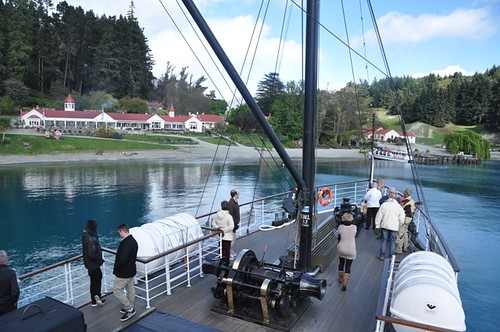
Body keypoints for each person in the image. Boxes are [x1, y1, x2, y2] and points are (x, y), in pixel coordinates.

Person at [113, 224, 138, 322]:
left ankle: (129, 308)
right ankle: (130, 306)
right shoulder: (133, 241)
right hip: (131, 270)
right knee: (130, 289)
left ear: (122, 231)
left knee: (116, 290)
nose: (119, 234)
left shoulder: (126, 244)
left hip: (123, 272)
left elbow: (122, 260)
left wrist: (117, 270)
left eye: (119, 232)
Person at [375, 188, 405, 260]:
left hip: (385, 225)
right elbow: (402, 218)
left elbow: (379, 216)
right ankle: (391, 256)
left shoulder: (384, 205)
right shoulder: (399, 207)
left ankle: (382, 255)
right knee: (393, 241)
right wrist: (400, 224)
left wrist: (377, 225)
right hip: (394, 227)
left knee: (384, 240)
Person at [82, 219, 106, 307]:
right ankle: (97, 297)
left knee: (94, 281)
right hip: (94, 264)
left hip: (90, 264)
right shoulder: (90, 238)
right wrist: (98, 259)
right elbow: (91, 253)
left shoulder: (86, 236)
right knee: (97, 279)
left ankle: (94, 299)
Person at [336, 214, 357, 291]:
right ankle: (345, 282)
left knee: (341, 263)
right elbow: (354, 234)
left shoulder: (340, 227)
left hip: (341, 248)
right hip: (351, 249)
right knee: (348, 266)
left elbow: (338, 237)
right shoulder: (354, 227)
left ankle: (340, 278)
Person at [212, 200, 235, 265]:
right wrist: (224, 230)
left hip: (219, 235)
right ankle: (226, 263)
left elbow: (213, 223)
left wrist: (218, 228)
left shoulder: (216, 215)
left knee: (221, 248)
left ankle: (220, 262)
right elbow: (231, 226)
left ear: (221, 206)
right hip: (227, 236)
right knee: (227, 250)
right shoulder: (228, 216)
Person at [0, 250, 20, 316]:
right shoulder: (10, 273)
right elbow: (15, 292)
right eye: (6, 258)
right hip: (8, 308)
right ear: (3, 260)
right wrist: (14, 302)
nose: (8, 259)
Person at [396, 189, 415, 254]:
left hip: (405, 218)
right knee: (405, 232)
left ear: (406, 194)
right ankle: (405, 247)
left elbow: (400, 209)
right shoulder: (412, 200)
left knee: (400, 233)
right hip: (410, 218)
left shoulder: (405, 201)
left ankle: (399, 249)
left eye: (404, 193)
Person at [227, 189, 240, 258]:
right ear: (235, 195)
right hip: (233, 225)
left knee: (233, 239)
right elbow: (230, 214)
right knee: (232, 239)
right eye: (238, 193)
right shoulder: (231, 203)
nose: (239, 194)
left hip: (235, 224)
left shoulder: (235, 202)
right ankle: (230, 253)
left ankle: (231, 251)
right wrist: (234, 222)